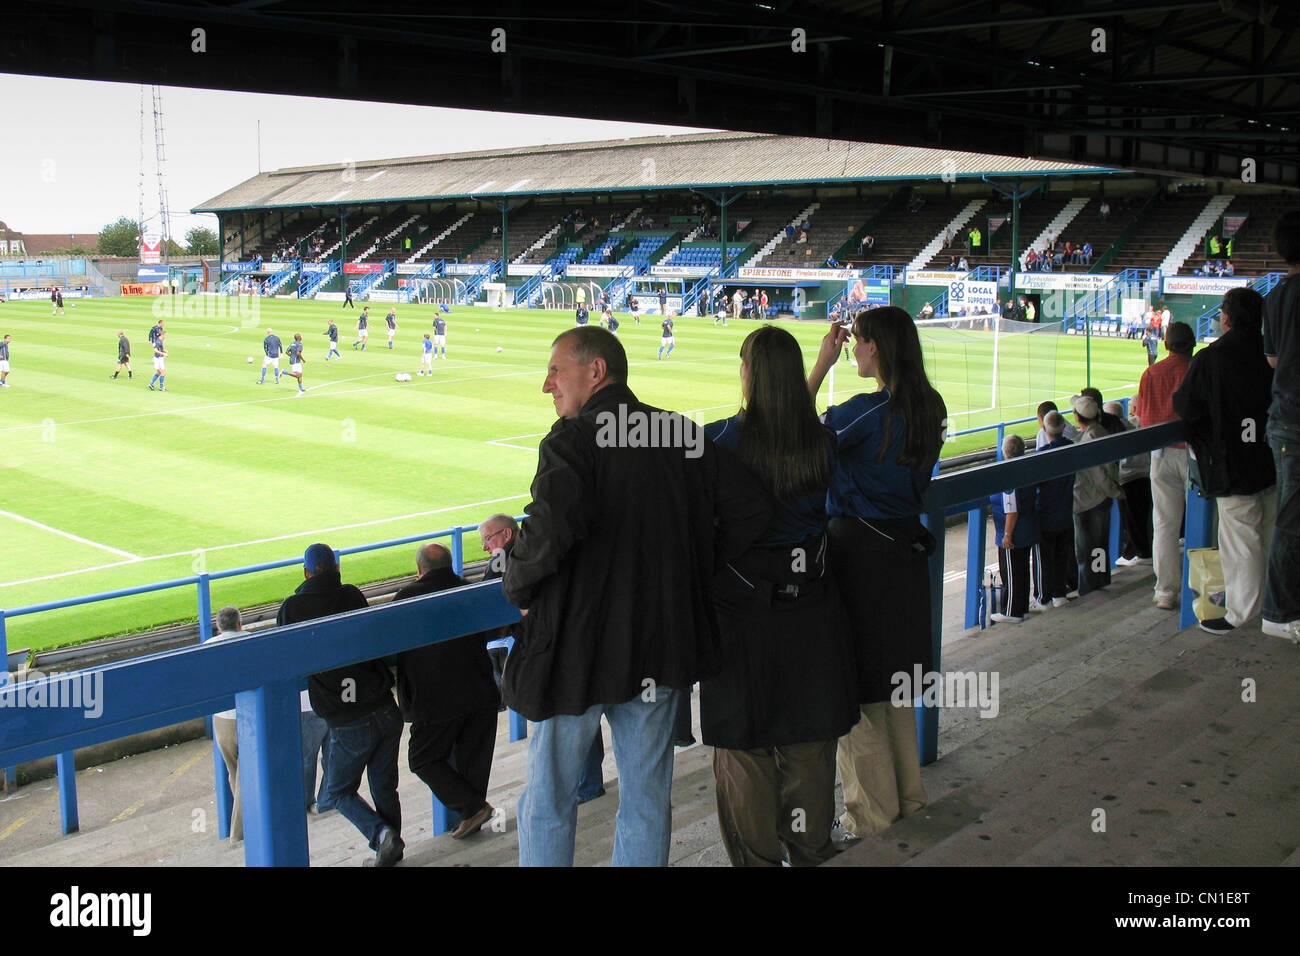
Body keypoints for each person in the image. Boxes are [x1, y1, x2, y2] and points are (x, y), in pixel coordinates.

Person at [501, 327, 769, 867]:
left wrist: (517, 583)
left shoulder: (571, 439)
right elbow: (752, 510)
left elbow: (550, 534)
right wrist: (697, 565)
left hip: (575, 655)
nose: (546, 384)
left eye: (557, 370)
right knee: (646, 799)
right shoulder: (679, 434)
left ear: (595, 372)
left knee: (549, 799)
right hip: (660, 649)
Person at [701, 326, 858, 866]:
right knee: (810, 741)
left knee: (743, 749)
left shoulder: (718, 442)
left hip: (742, 617)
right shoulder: (823, 443)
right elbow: (791, 428)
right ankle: (811, 851)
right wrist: (815, 372)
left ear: (749, 373)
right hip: (811, 608)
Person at [806, 306, 946, 844]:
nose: (853, 349)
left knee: (857, 691)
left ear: (879, 349)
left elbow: (791, 431)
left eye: (859, 342)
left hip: (858, 557)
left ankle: (870, 816)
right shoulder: (929, 405)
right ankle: (908, 798)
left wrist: (820, 364)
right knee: (893, 687)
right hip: (903, 555)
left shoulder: (869, 411)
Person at [277, 543, 404, 867]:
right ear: (336, 568)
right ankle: (390, 850)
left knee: (336, 792)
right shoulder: (351, 594)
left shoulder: (292, 607)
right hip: (385, 708)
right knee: (384, 786)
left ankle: (382, 837)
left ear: (306, 572)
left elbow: (284, 656)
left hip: (349, 721)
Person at [1173, 287, 1277, 634]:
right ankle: (1269, 606)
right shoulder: (1272, 352)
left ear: (1228, 318)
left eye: (1221, 313)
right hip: (1272, 458)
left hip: (1232, 464)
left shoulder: (1212, 356)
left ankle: (1242, 614)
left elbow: (1186, 407)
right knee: (1266, 534)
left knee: (1242, 541)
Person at [392, 544, 500, 839]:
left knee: (422, 758)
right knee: (473, 761)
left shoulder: (404, 599)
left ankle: (472, 809)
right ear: (450, 565)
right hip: (480, 691)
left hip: (435, 701)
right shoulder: (469, 591)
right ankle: (472, 813)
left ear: (419, 570)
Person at [1132, 321, 1195, 610]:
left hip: (1161, 456)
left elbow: (1144, 419)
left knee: (1165, 525)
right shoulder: (1198, 370)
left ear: (1166, 344)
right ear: (1192, 344)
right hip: (1195, 455)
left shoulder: (1151, 373)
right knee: (1203, 521)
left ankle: (1166, 592)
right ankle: (1202, 588)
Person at [1261, 212, 1300, 642]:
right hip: (1293, 422)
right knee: (1291, 519)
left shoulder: (1276, 296)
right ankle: (1278, 612)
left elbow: (1272, 359)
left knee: (1290, 516)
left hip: (1283, 419)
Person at [1070, 394, 1123, 595]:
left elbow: (1099, 474)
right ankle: (1100, 580)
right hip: (1101, 500)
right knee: (1099, 546)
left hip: (1087, 502)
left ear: (1078, 417)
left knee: (1086, 551)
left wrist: (1115, 492)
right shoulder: (1100, 432)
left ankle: (1089, 588)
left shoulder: (1090, 438)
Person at [207, 605, 248, 843]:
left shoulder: (208, 647)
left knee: (236, 775)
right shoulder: (253, 641)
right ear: (239, 624)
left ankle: (240, 830)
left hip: (222, 721)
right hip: (247, 717)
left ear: (218, 627)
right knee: (243, 777)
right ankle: (240, 832)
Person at [1036, 411, 1077, 607]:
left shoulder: (1042, 455)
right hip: (1066, 513)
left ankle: (1044, 598)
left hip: (1046, 516)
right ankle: (1060, 593)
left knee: (1045, 559)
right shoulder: (1072, 449)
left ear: (1044, 429)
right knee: (1062, 555)